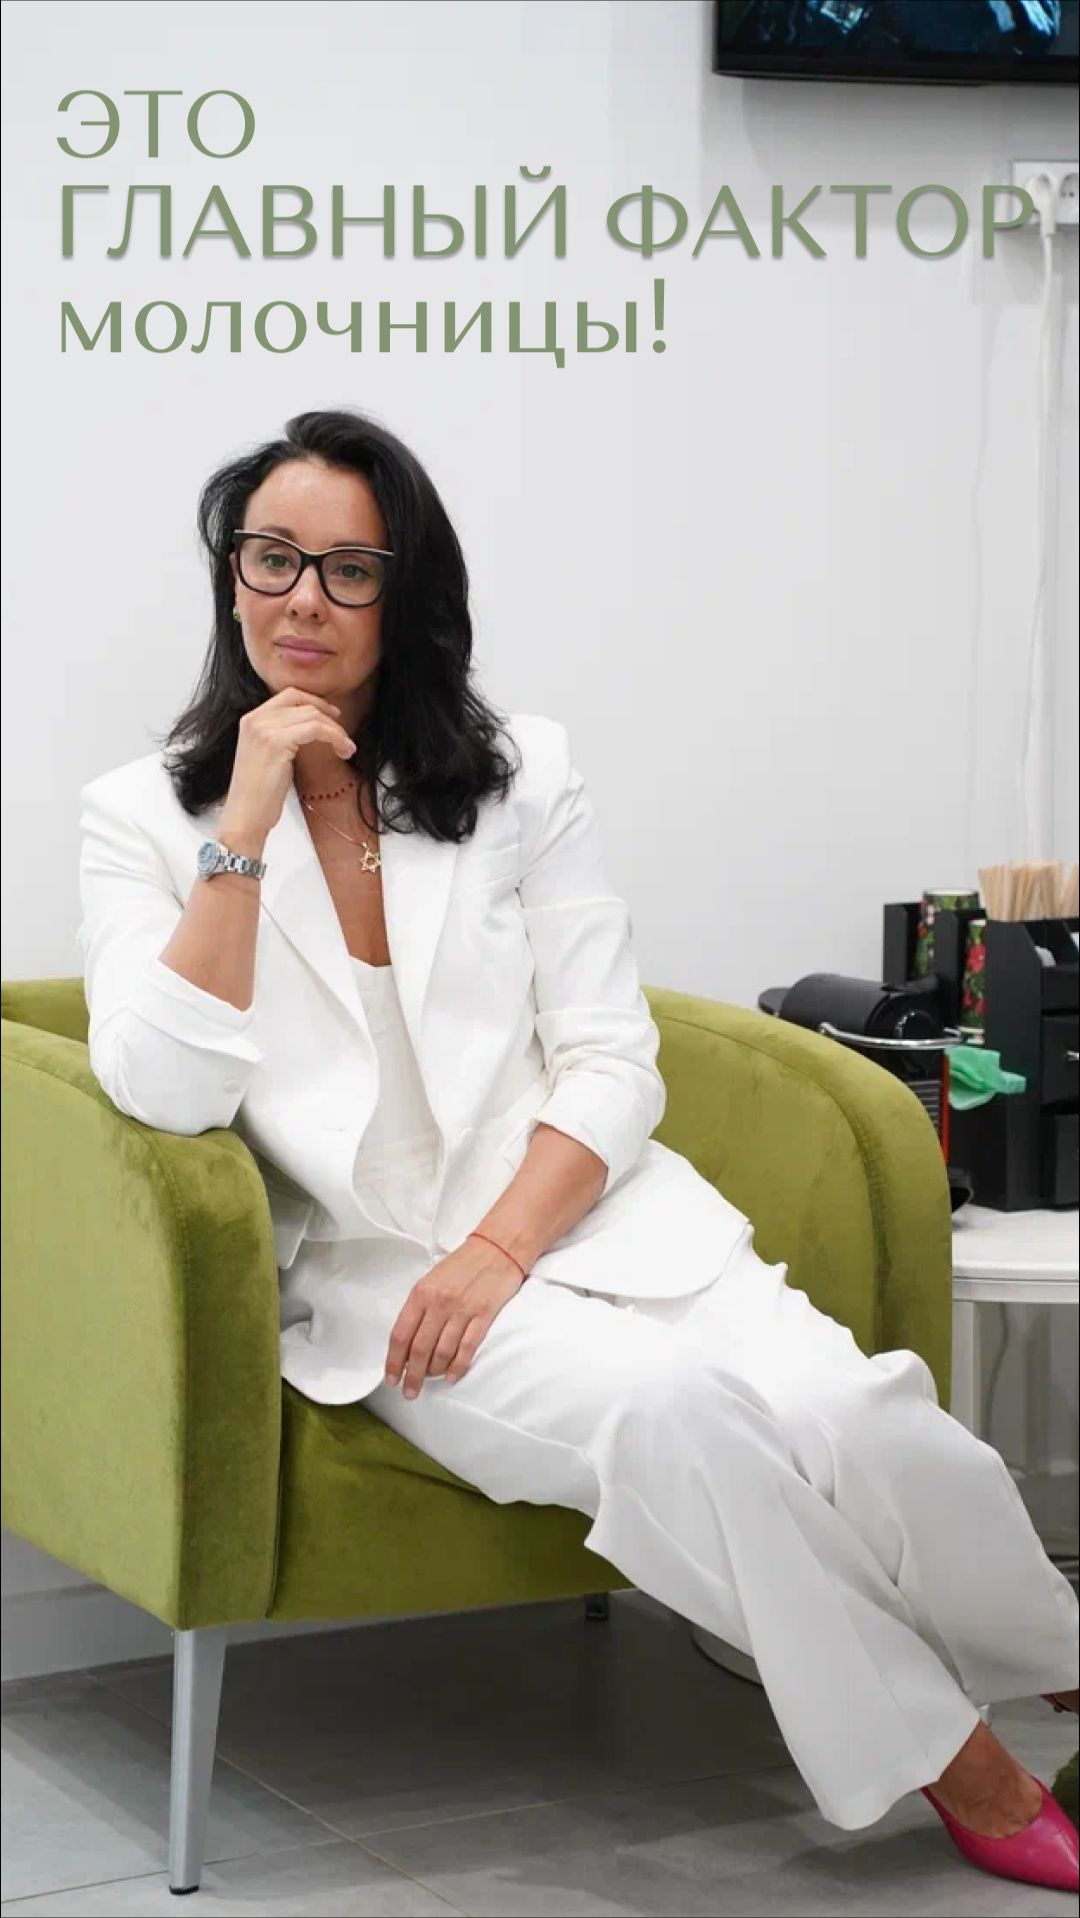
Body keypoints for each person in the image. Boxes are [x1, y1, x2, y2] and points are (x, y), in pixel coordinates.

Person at [77, 407, 1079, 1894]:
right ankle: (962, 1765)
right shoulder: (141, 818)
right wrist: (244, 823)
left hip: (588, 1218)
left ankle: (1055, 1658)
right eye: (270, 556)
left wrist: (506, 1245)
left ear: (405, 593)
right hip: (391, 1287)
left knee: (860, 1412)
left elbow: (612, 1055)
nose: (302, 598)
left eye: (348, 569)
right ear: (231, 574)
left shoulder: (518, 778)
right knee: (679, 1419)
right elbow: (159, 1093)